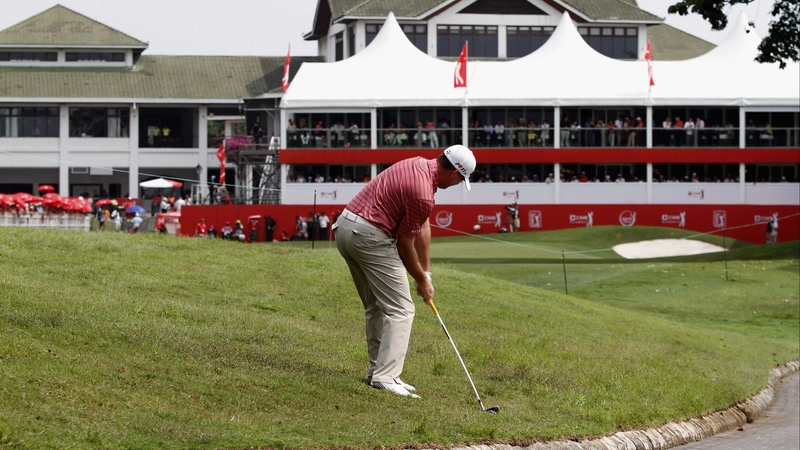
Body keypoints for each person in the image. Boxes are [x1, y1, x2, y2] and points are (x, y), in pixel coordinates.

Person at [333, 144, 476, 399]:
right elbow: (404, 244)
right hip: (369, 236)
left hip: (345, 229)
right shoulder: (423, 194)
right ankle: (385, 377)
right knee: (402, 309)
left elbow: (421, 224)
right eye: (460, 180)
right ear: (455, 173)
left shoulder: (418, 163)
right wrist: (420, 280)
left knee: (376, 304)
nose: (456, 185)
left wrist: (427, 272)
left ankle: (377, 371)